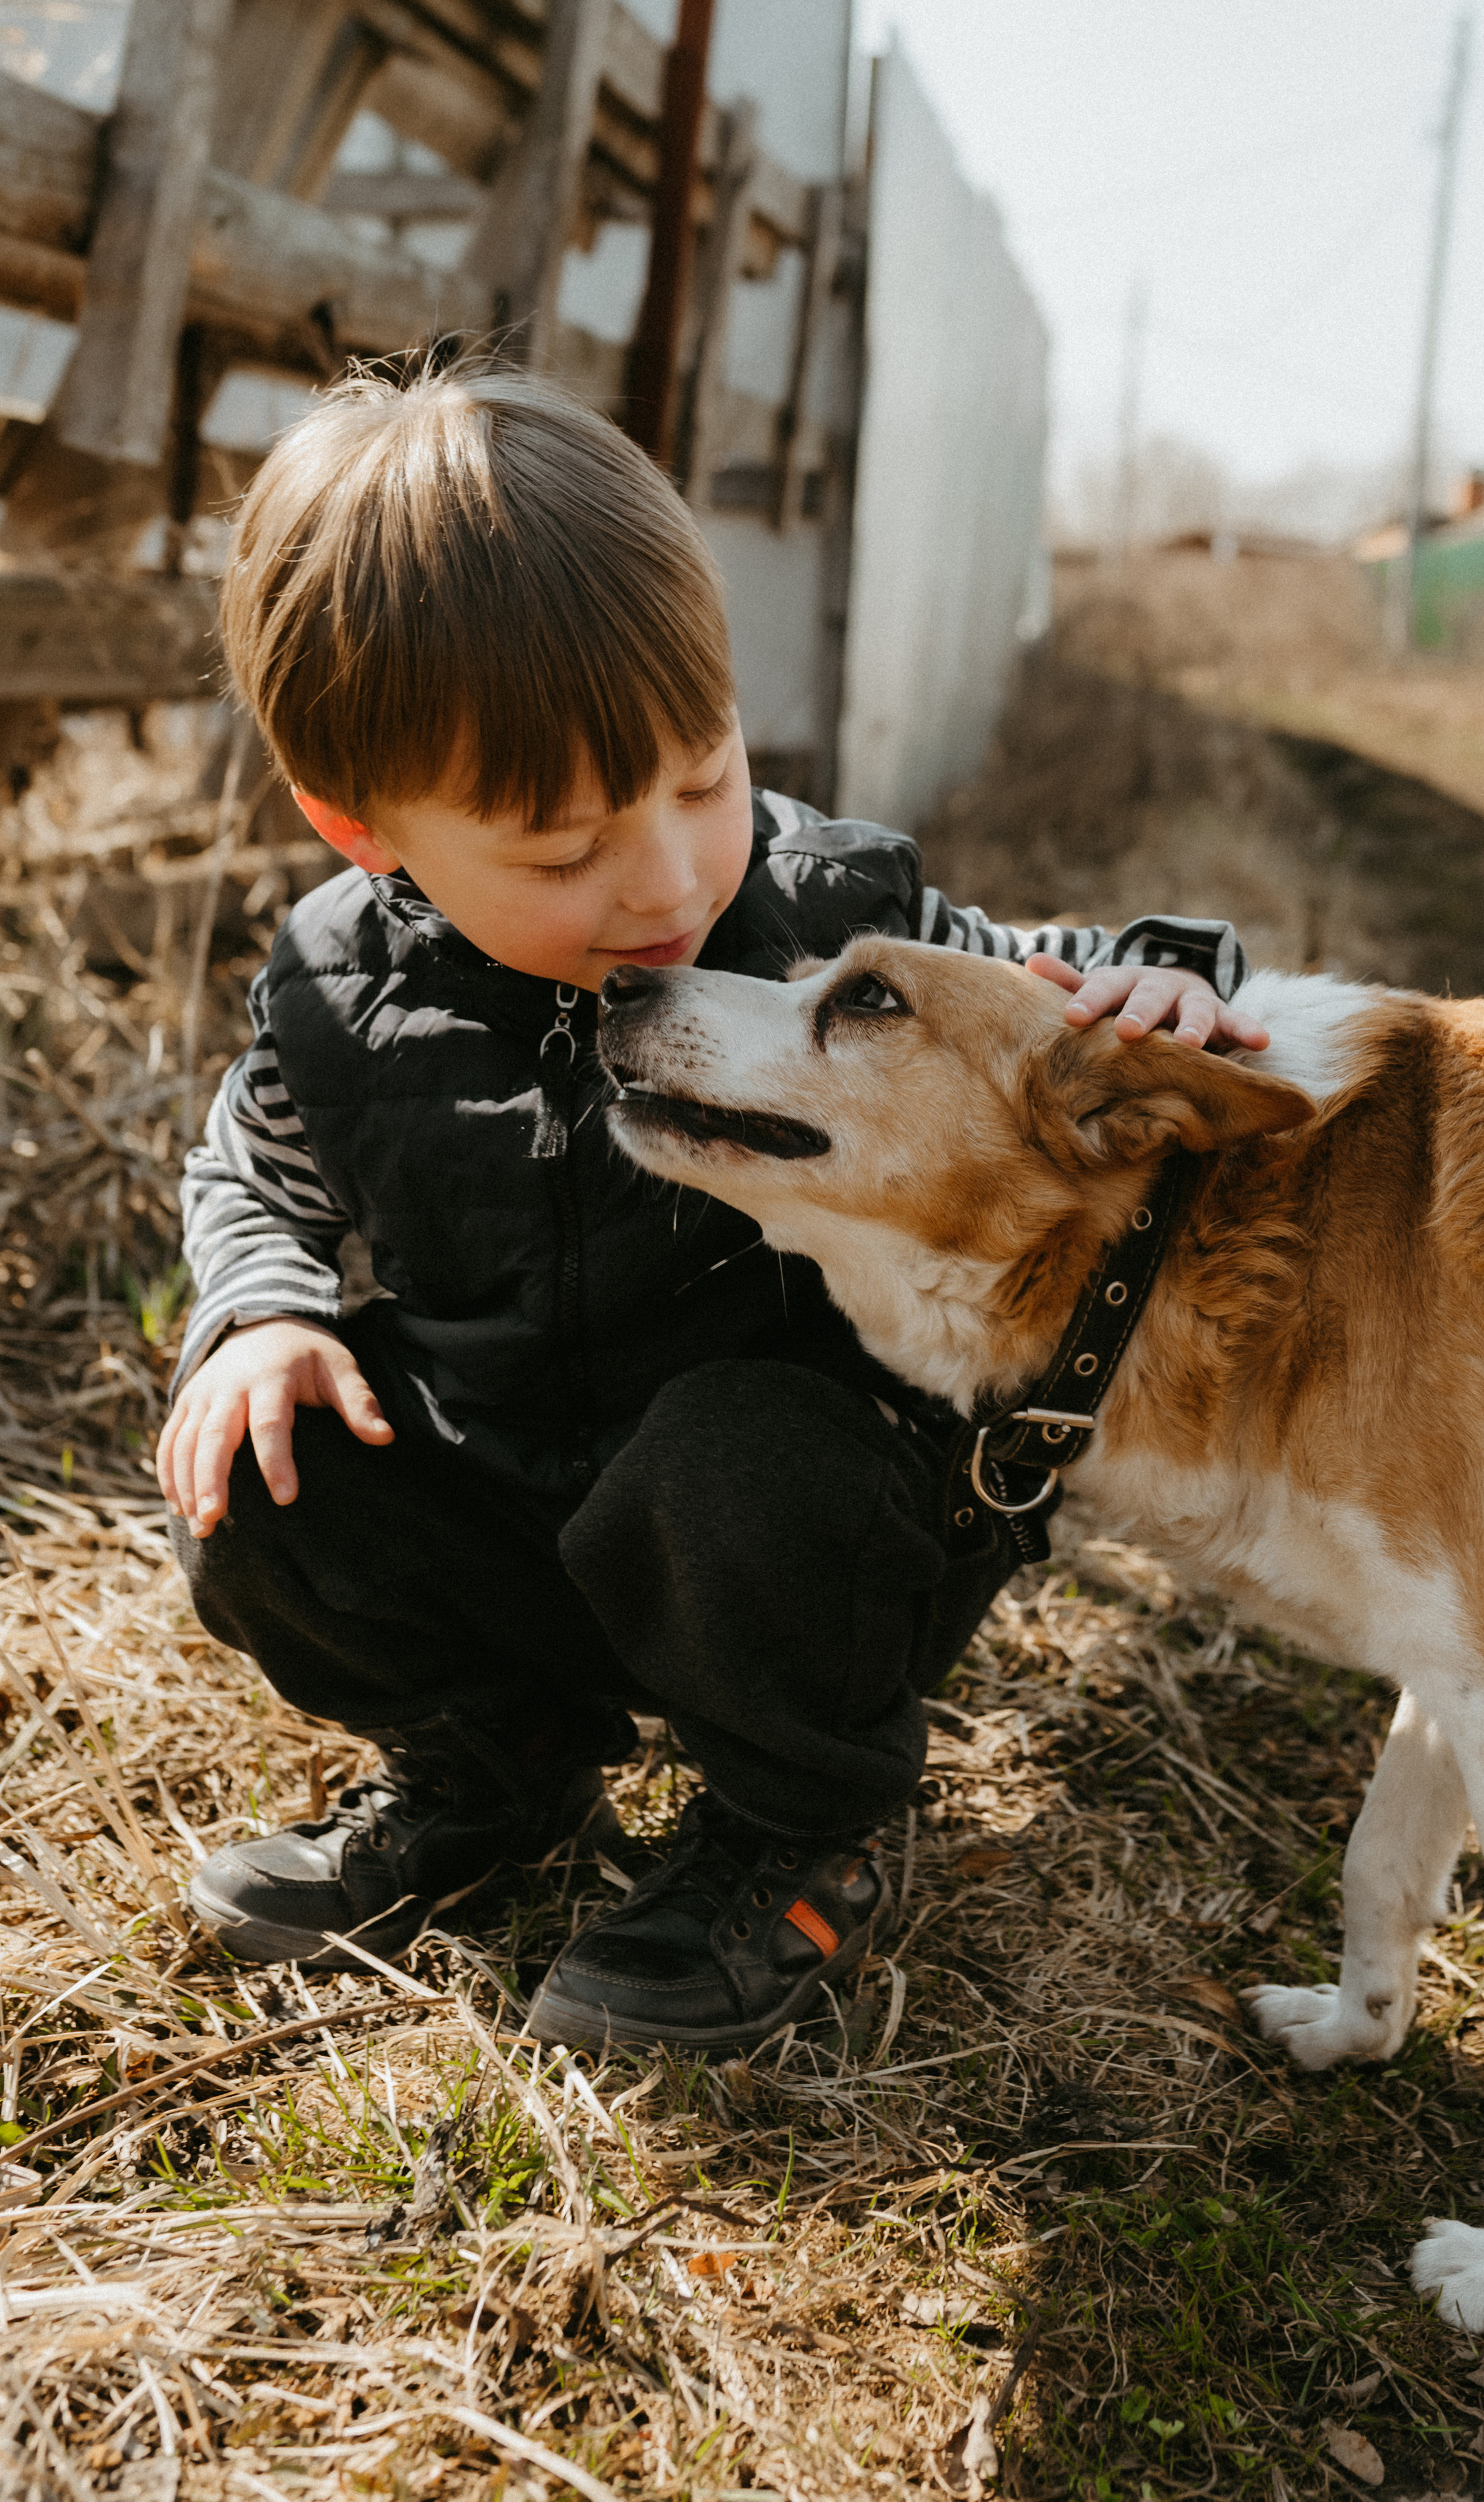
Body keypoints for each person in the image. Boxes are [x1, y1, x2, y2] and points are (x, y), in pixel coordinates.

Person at [161, 362, 1265, 2055]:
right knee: (259, 1466)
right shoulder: (335, 1002)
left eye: (702, 776)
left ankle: (795, 1826)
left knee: (734, 1457)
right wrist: (261, 1313)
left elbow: (1034, 993)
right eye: (561, 851)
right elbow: (252, 1167)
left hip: (808, 1532)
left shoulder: (832, 918)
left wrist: (1158, 982)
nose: (670, 877)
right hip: (525, 1500)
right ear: (361, 827)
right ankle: (495, 1763)